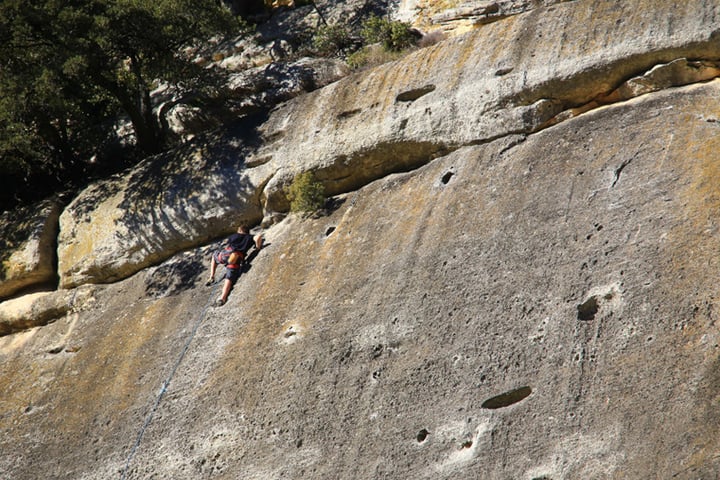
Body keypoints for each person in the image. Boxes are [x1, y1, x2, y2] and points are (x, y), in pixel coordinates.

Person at [207, 225, 263, 306]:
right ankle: (222, 298)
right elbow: (258, 237)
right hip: (236, 259)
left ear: (239, 230)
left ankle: (211, 276)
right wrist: (258, 248)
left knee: (214, 255)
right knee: (229, 278)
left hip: (225, 255)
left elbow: (228, 245)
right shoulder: (249, 237)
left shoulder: (233, 236)